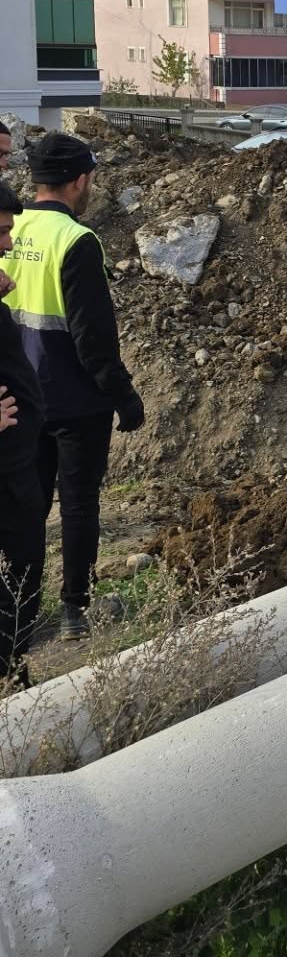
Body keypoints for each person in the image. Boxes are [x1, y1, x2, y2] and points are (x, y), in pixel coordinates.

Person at [2, 133, 144, 641]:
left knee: (29, 506)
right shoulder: (77, 240)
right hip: (75, 399)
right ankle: (73, 612)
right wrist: (123, 396)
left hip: (21, 394)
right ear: (80, 180)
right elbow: (93, 338)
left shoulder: (11, 226)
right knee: (79, 503)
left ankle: (20, 612)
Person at [0, 180, 45, 685]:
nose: (9, 244)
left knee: (26, 568)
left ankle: (13, 669)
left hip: (17, 460)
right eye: (1, 232)